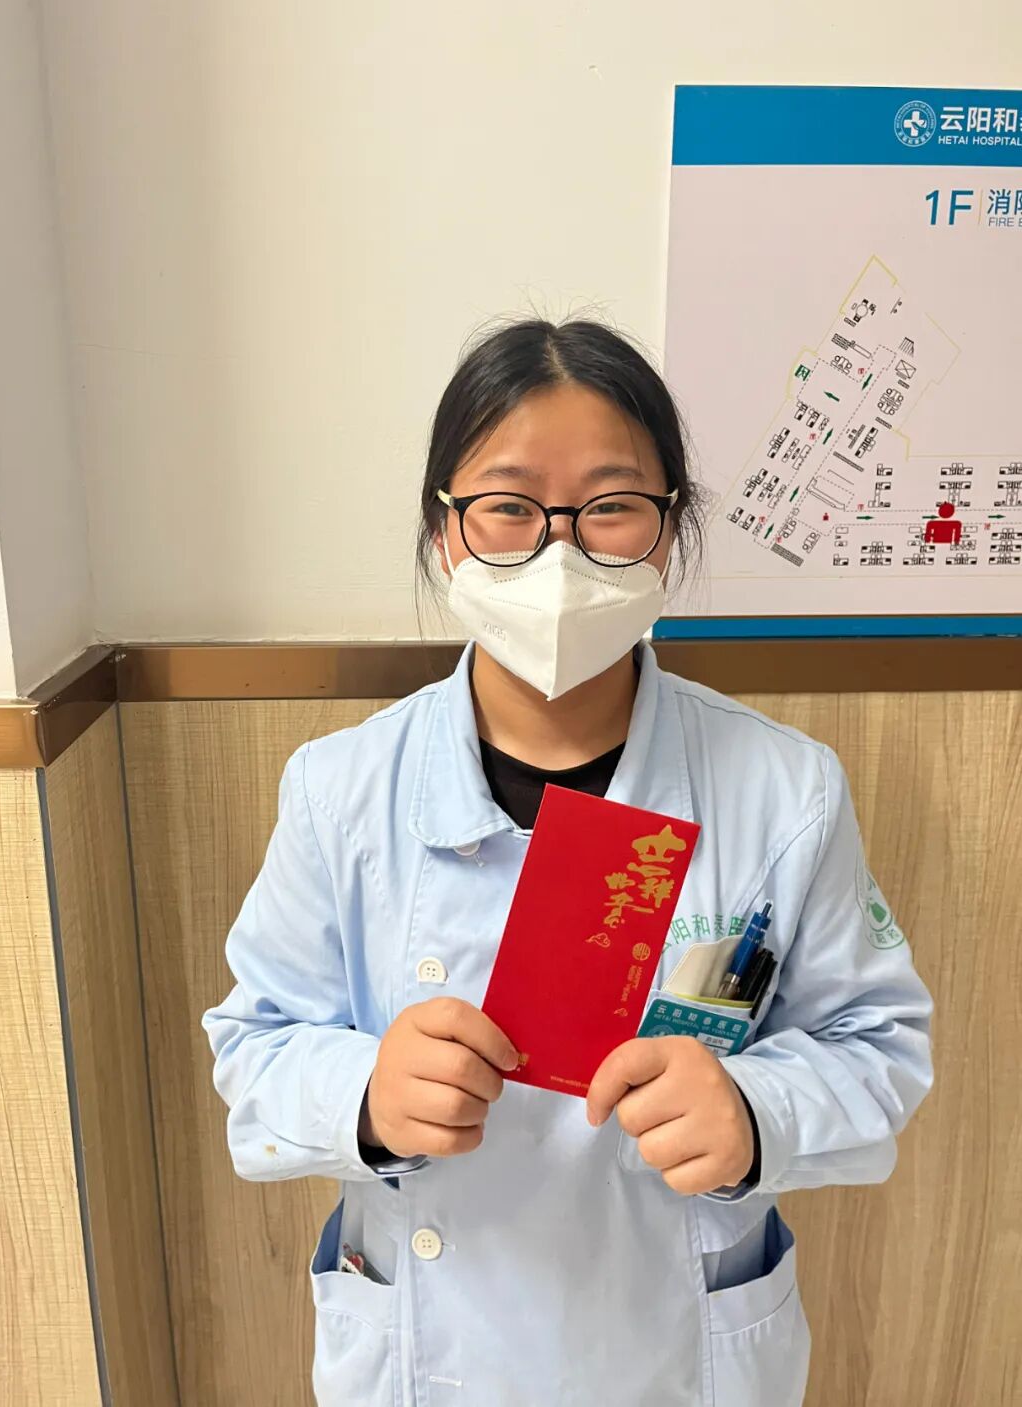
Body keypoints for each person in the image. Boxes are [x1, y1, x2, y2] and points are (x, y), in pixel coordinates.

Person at [204, 319, 933, 1407]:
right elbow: (253, 1048)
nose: (559, 553)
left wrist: (756, 1113)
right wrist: (364, 1093)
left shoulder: (784, 792)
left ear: (670, 529)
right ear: (444, 531)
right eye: (508, 506)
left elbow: (879, 1049)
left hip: (677, 1354)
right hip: (425, 1353)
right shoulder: (340, 788)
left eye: (610, 505)